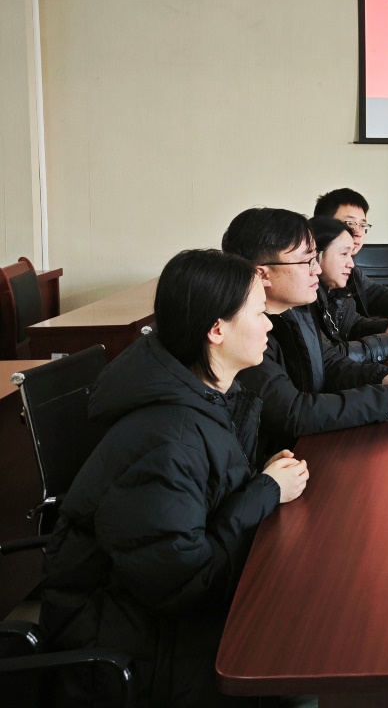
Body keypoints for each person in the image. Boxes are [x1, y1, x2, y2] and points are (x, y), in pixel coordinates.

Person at [40, 249, 311, 707]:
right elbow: (186, 584)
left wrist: (262, 484)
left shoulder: (205, 393)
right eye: (258, 313)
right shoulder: (166, 439)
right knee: (308, 657)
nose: (269, 325)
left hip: (156, 614)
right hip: (134, 648)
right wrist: (264, 492)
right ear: (216, 330)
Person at [222, 207, 388, 462]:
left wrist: (383, 377)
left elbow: (328, 363)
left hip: (309, 449)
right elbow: (294, 413)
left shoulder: (296, 309)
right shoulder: (245, 333)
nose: (316, 270)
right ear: (263, 274)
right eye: (306, 261)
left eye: (315, 259)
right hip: (280, 464)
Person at [313, 187, 388, 326]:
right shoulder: (309, 285)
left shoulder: (351, 272)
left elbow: (376, 294)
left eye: (362, 225)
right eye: (349, 224)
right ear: (325, 225)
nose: (357, 232)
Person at [310, 215, 388, 365]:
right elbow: (330, 357)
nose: (351, 264)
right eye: (344, 254)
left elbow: (351, 324)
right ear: (316, 255)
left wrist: (385, 327)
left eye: (350, 255)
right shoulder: (303, 298)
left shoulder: (335, 289)